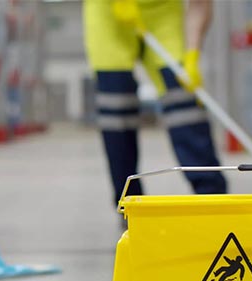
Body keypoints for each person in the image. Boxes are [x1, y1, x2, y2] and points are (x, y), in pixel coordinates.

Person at [83, 0, 227, 207]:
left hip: (163, 12)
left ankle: (213, 198)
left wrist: (192, 54)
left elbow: (200, 5)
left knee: (184, 101)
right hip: (109, 13)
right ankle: (129, 205)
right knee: (116, 109)